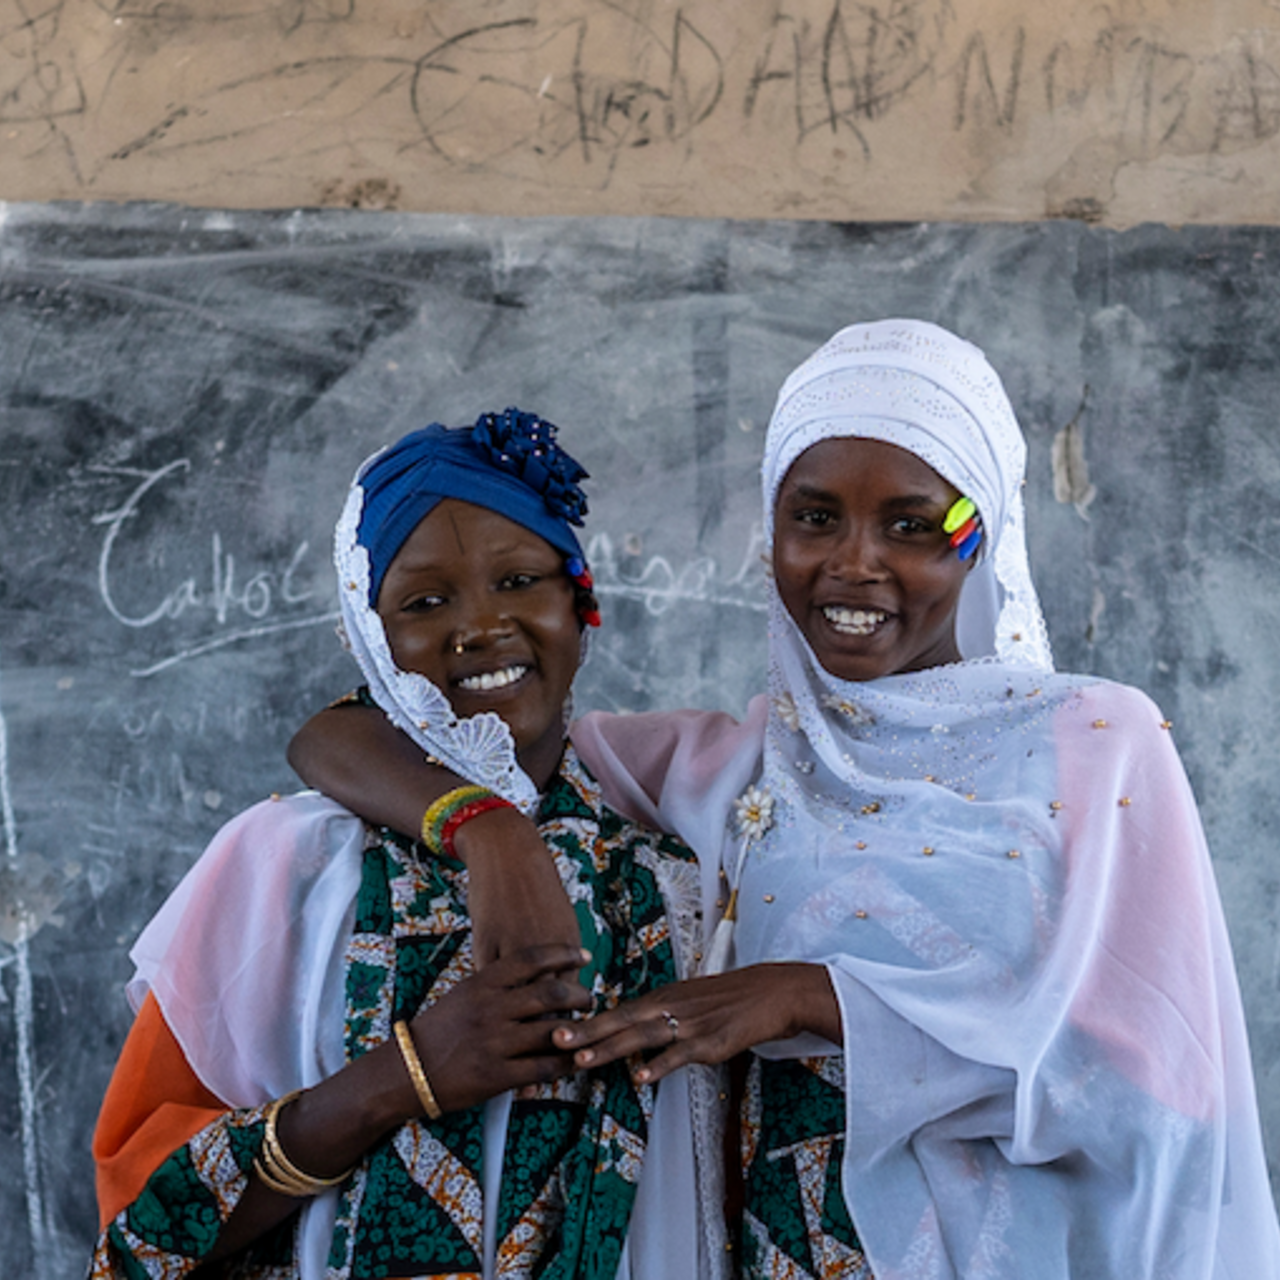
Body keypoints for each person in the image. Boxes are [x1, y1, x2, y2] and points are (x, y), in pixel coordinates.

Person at [289, 321, 1280, 1279]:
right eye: (812, 516)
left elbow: (1166, 1083)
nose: (854, 561)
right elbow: (353, 727)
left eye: (912, 522)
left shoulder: (1093, 742)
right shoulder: (731, 766)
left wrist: (807, 995)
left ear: (981, 532)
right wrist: (490, 828)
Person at [89, 408, 727, 1280]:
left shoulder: (668, 876)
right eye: (425, 602)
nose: (480, 626)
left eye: (520, 581)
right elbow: (139, 1210)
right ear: (370, 636)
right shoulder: (287, 864)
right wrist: (408, 1075)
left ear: (581, 605)